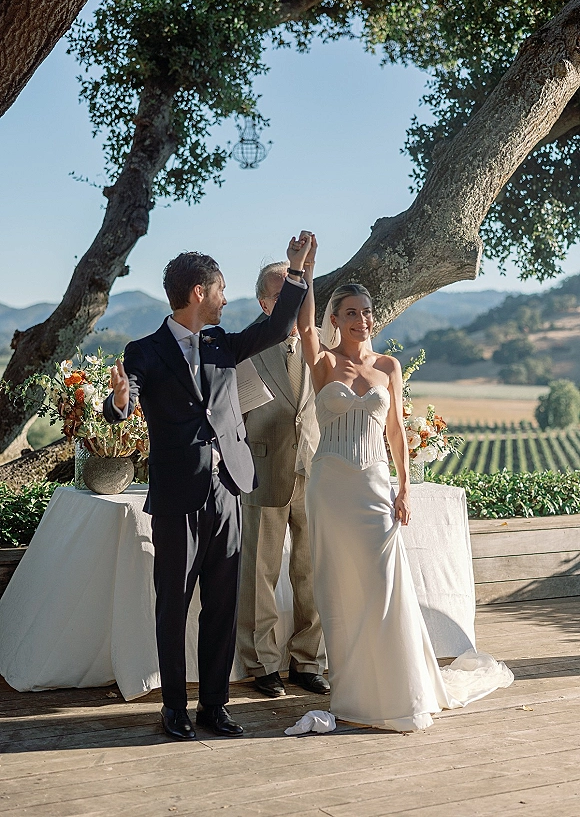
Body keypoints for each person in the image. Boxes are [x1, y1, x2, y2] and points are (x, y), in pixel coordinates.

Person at [298, 235, 513, 732]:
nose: (361, 319)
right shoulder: (325, 363)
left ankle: (397, 688)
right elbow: (302, 325)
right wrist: (304, 274)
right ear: (336, 319)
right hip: (329, 487)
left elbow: (395, 431)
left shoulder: (389, 367)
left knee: (384, 586)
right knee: (338, 589)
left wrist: (405, 488)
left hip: (374, 486)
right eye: (350, 312)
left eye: (366, 312)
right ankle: (351, 690)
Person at [104, 233, 312, 741]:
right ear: (199, 292)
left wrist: (296, 272)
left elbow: (280, 323)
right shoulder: (145, 352)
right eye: (219, 289)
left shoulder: (224, 344)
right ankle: (173, 708)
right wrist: (118, 400)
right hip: (177, 498)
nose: (225, 298)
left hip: (229, 490)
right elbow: (122, 404)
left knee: (222, 603)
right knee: (172, 605)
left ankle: (213, 707)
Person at [237, 261, 328, 699]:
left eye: (297, 292)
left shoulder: (319, 346)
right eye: (280, 295)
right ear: (264, 303)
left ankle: (309, 662)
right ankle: (263, 665)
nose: (290, 304)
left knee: (312, 574)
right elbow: (233, 418)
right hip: (263, 470)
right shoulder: (246, 349)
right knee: (260, 575)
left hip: (315, 473)